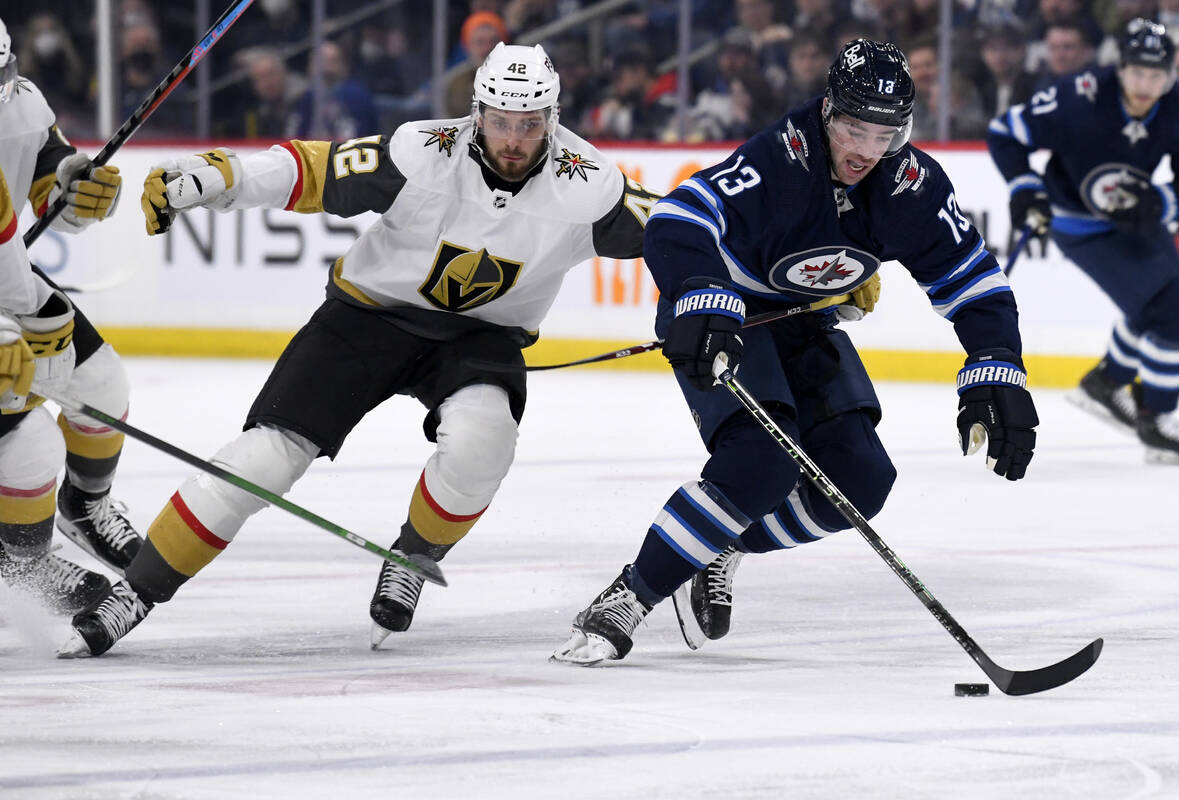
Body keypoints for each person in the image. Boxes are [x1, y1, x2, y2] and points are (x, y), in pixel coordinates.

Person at [59, 42, 663, 658]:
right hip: (366, 316)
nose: (512, 139)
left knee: (485, 442)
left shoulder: (591, 188)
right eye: (500, 121)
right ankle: (135, 591)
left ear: (552, 120)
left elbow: (681, 230)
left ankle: (414, 556)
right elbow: (312, 171)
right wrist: (220, 178)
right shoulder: (423, 153)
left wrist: (726, 293)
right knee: (262, 461)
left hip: (481, 338)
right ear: (476, 112)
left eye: (529, 125)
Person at [551, 39, 1039, 665]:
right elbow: (679, 216)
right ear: (830, 109)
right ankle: (629, 596)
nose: (866, 150)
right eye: (855, 128)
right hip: (721, 318)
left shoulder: (911, 185)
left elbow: (973, 280)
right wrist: (701, 295)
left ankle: (719, 544)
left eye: (885, 134)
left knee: (862, 479)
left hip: (803, 321)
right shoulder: (784, 159)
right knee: (762, 459)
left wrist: (996, 364)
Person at [988, 18, 1179, 462]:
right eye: (1137, 72)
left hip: (1137, 218)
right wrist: (1025, 187)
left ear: (1170, 76)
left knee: (1159, 307)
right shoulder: (1076, 97)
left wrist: (1162, 203)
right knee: (1176, 306)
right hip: (1078, 225)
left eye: (1157, 75)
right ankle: (1155, 419)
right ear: (1120, 68)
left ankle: (1104, 384)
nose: (1146, 85)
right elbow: (1005, 132)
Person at [0, 16, 143, 612]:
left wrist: (71, 186)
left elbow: (43, 179)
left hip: (9, 284)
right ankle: (19, 564)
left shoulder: (21, 103)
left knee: (103, 386)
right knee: (29, 442)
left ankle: (85, 507)